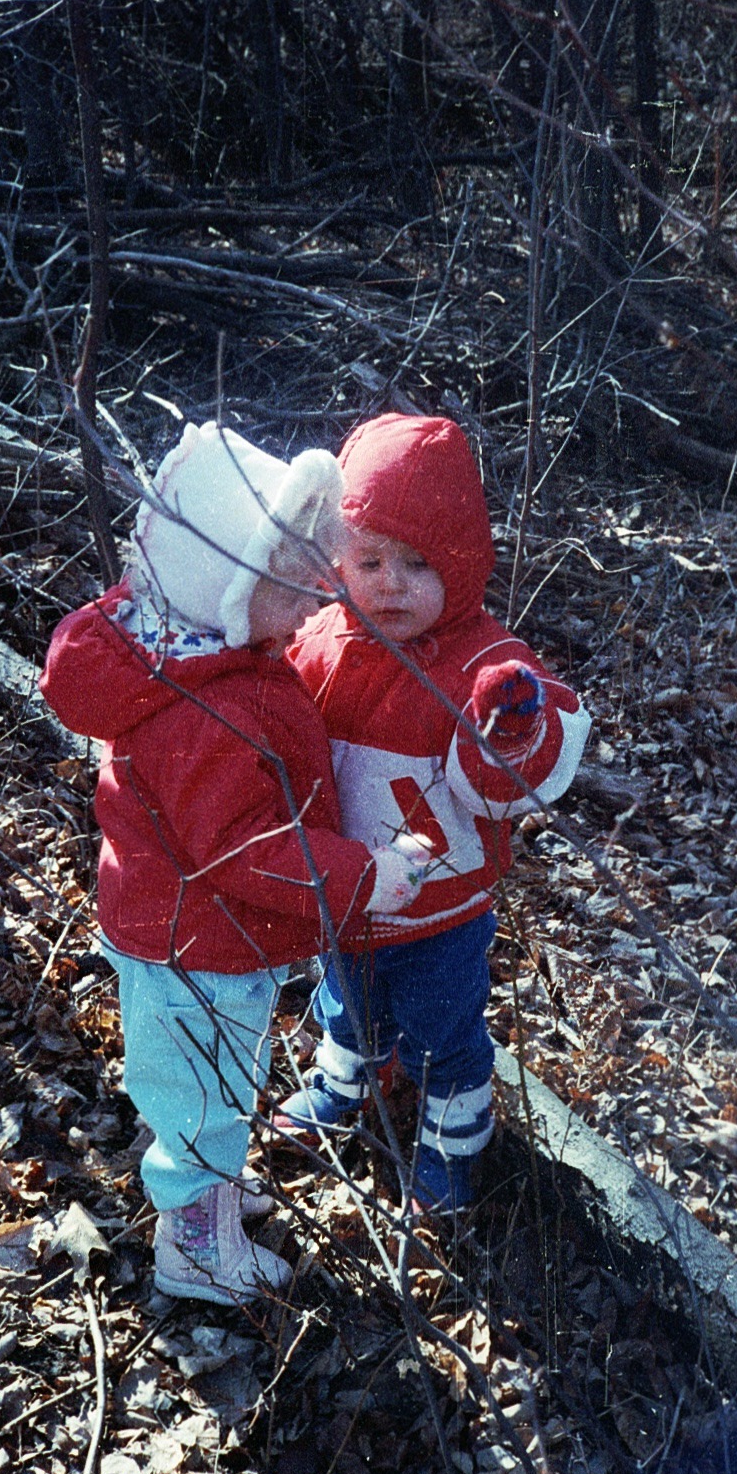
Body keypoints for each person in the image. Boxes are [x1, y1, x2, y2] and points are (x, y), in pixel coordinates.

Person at [39, 421, 427, 1303]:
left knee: (200, 1080)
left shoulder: (200, 658)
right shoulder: (199, 709)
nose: (314, 604)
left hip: (187, 934)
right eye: (289, 589)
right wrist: (363, 876)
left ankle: (201, 1188)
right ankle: (197, 1246)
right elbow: (248, 848)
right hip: (197, 945)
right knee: (204, 1095)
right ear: (225, 588)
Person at [280, 413, 591, 1211]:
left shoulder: (484, 663)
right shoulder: (318, 639)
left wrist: (512, 726)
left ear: (462, 565)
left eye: (418, 565)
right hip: (346, 888)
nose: (390, 583)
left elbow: (511, 783)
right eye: (371, 560)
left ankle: (457, 1141)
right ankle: (349, 1076)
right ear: (337, 560)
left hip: (441, 904)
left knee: (444, 1032)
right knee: (348, 999)